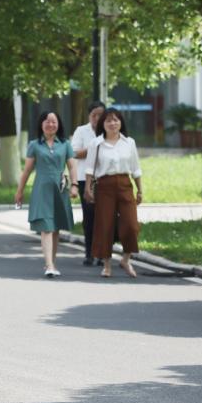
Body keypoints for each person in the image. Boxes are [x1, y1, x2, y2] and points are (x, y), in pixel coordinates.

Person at [14, 111, 79, 278]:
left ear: (59, 124)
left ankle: (51, 263)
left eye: (54, 122)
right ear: (41, 124)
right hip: (41, 190)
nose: (50, 124)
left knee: (55, 228)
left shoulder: (65, 144)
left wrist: (74, 185)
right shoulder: (34, 145)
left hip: (60, 189)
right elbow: (27, 170)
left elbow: (72, 166)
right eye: (47, 121)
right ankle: (49, 265)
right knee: (46, 227)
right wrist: (20, 191)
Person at [85, 107, 143, 278]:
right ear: (103, 124)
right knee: (105, 225)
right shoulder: (96, 143)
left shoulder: (129, 142)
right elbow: (89, 168)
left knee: (131, 225)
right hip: (104, 186)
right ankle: (107, 265)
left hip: (125, 185)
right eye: (108, 120)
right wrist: (88, 188)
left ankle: (126, 259)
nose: (112, 123)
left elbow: (136, 168)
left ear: (121, 123)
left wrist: (140, 190)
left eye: (116, 120)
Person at [71, 100, 107, 266]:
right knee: (90, 215)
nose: (97, 118)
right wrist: (93, 148)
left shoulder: (109, 131)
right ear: (89, 116)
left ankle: (102, 253)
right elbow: (74, 153)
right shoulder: (81, 131)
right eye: (94, 115)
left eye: (101, 115)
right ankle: (89, 253)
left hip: (105, 178)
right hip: (85, 179)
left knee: (104, 216)